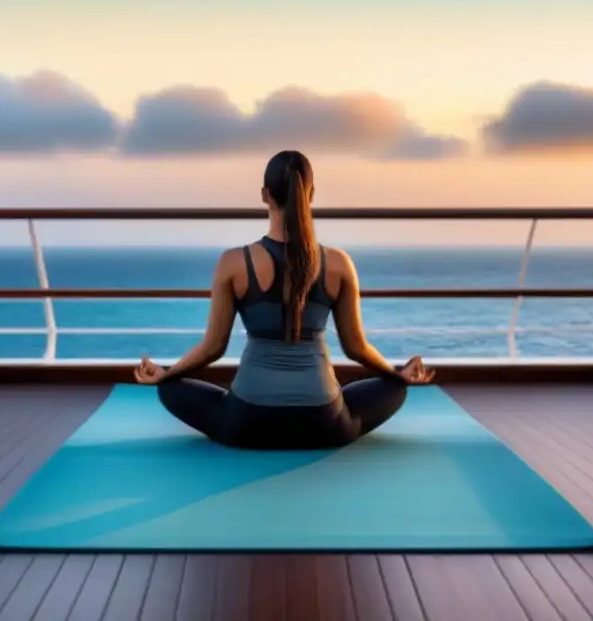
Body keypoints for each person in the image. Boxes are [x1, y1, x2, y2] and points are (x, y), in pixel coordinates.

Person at [134, 150, 434, 450]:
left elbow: (213, 348)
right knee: (395, 388)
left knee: (169, 388)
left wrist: (167, 373)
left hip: (247, 424)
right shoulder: (339, 263)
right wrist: (397, 373)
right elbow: (356, 348)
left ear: (265, 195)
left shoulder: (234, 262)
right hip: (324, 425)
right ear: (311, 194)